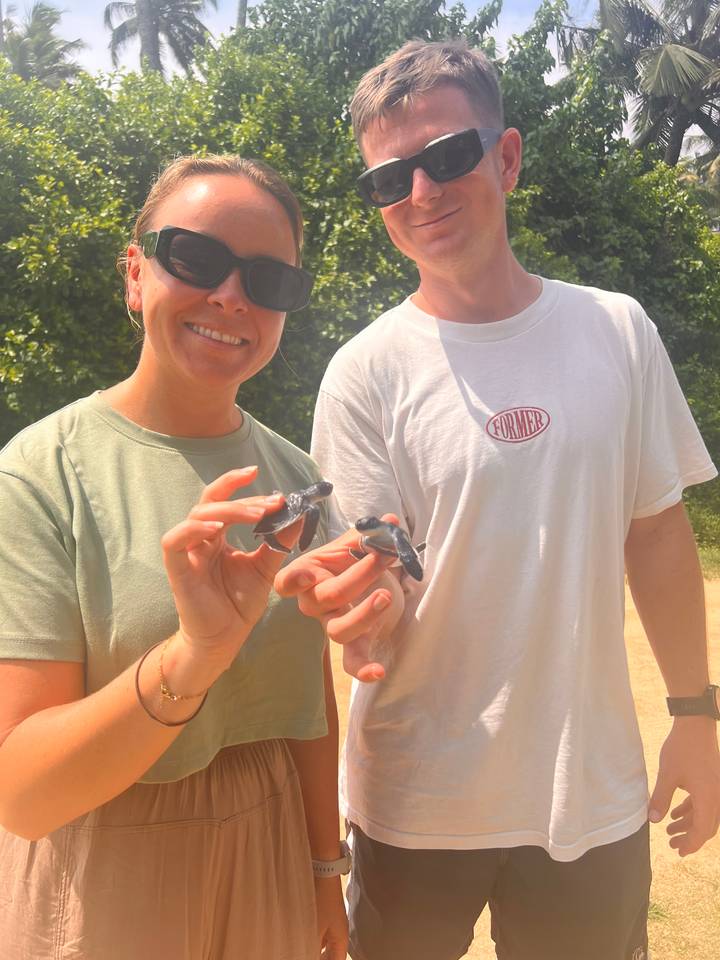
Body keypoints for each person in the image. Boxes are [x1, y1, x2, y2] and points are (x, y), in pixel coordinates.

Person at [275, 40, 720, 960]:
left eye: (447, 158)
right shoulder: (364, 372)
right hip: (414, 801)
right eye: (390, 179)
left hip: (587, 792)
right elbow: (376, 562)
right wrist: (364, 609)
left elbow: (660, 539)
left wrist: (696, 718)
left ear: (507, 157)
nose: (423, 194)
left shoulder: (617, 329)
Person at [0, 153, 399, 960]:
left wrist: (327, 871)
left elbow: (303, 701)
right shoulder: (40, 476)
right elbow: (25, 795)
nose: (230, 296)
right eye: (196, 258)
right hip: (105, 860)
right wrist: (197, 653)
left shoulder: (296, 481)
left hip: (273, 849)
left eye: (268, 280)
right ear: (135, 274)